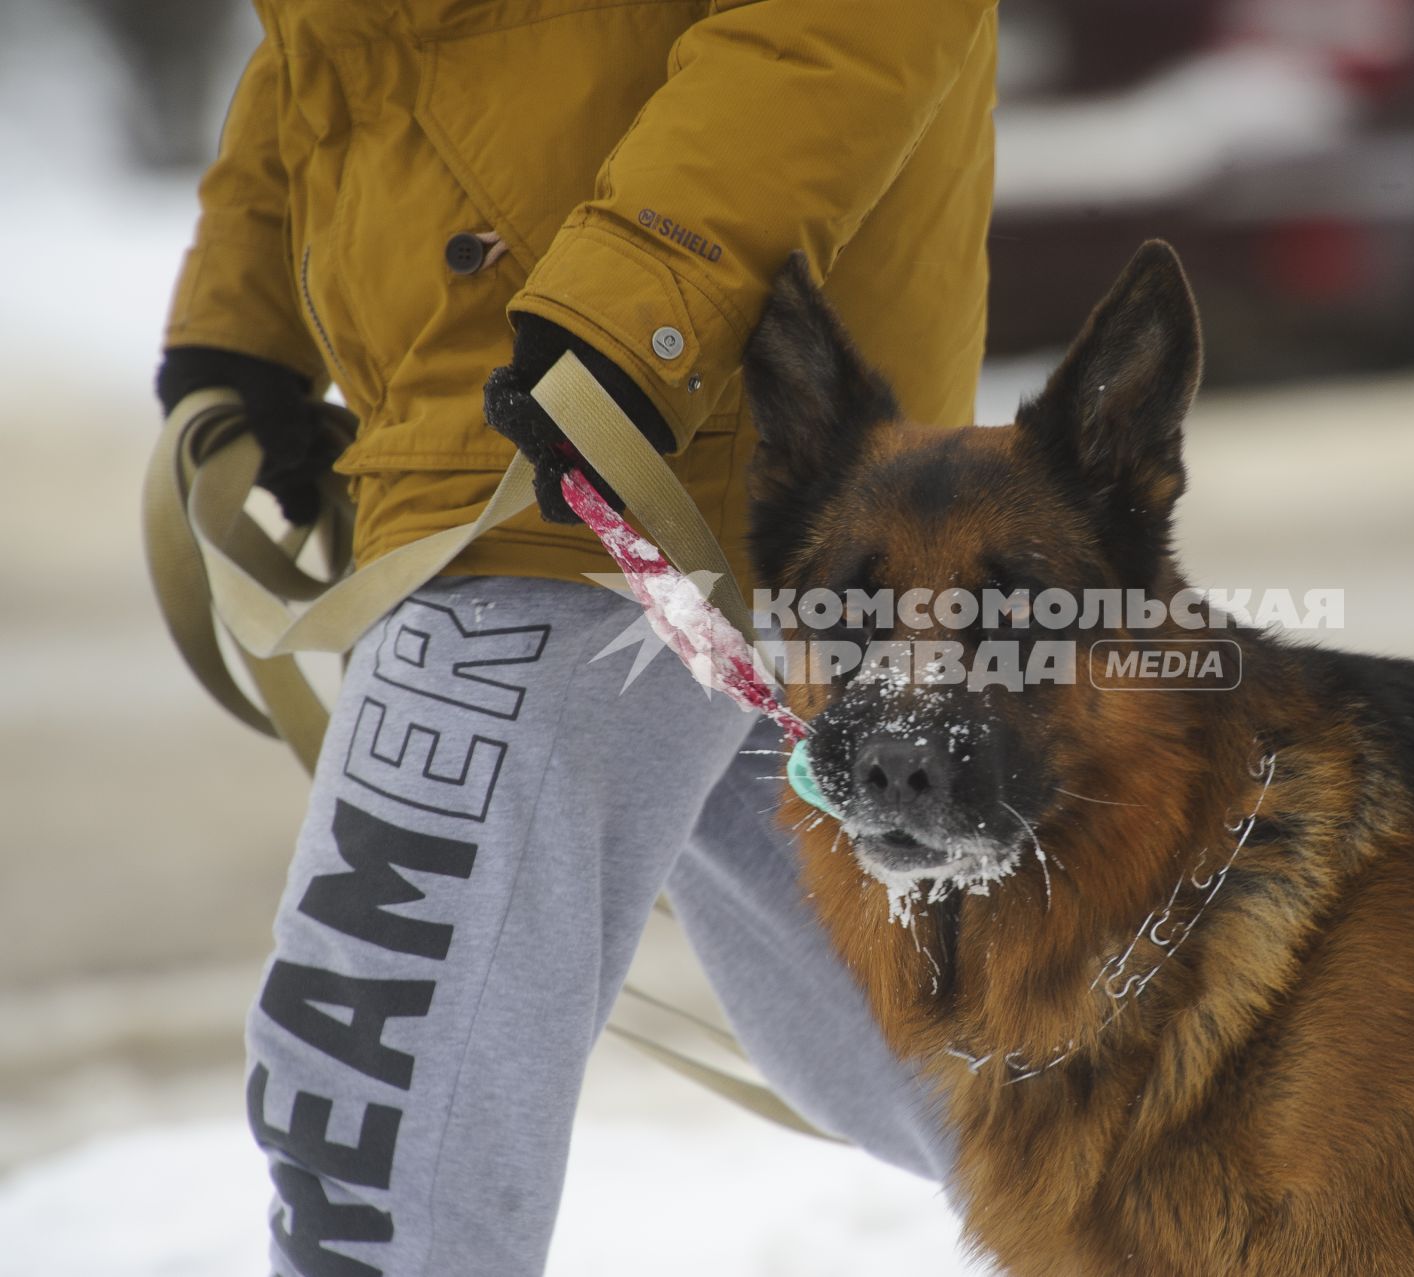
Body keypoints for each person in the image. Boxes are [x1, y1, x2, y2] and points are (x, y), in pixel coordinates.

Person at [155, 2, 998, 1272]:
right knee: (1025, 1076)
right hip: (558, 412)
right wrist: (247, 304)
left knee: (373, 1092)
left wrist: (642, 306)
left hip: (634, 427)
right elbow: (343, 39)